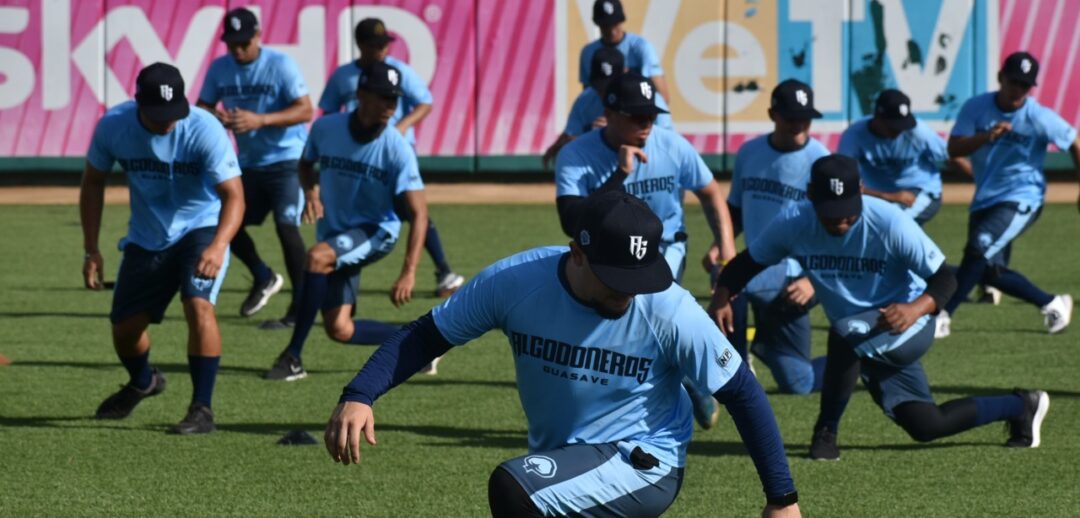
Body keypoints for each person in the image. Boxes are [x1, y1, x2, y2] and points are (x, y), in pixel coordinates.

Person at [324, 191, 801, 517]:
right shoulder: (515, 283)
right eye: (616, 278)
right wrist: (362, 392)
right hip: (570, 459)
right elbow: (428, 335)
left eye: (638, 279)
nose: (628, 293)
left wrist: (782, 500)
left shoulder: (669, 307)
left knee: (514, 487)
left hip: (645, 460)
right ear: (577, 254)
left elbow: (742, 392)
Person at [710, 155, 1051, 461]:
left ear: (860, 190)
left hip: (907, 324)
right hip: (865, 332)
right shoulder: (795, 221)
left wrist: (916, 309)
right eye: (831, 214)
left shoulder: (889, 222)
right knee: (926, 424)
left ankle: (825, 433)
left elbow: (945, 280)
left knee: (845, 335)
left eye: (847, 212)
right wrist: (722, 296)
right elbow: (744, 265)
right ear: (811, 195)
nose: (841, 222)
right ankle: (1022, 405)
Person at [554, 72, 738, 430]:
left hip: (664, 249)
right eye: (636, 116)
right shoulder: (577, 154)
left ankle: (687, 385)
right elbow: (570, 222)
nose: (646, 124)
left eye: (651, 115)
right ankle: (684, 383)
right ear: (610, 113)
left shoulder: (672, 145)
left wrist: (727, 253)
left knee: (642, 312)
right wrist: (618, 175)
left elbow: (711, 193)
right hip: (603, 259)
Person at [81, 63, 244, 434]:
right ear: (138, 104)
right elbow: (92, 183)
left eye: (174, 113)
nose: (168, 122)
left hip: (201, 227)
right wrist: (91, 250)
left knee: (199, 305)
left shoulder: (204, 128)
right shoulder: (114, 126)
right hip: (146, 237)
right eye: (157, 115)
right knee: (124, 329)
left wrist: (218, 246)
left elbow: (234, 196)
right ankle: (144, 381)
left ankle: (202, 409)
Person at [264, 61, 429, 381]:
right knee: (339, 329)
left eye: (394, 99)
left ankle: (292, 357)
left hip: (376, 231)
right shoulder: (327, 129)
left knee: (316, 257)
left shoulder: (397, 148)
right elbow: (305, 164)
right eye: (383, 97)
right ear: (361, 94)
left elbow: (420, 213)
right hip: (337, 231)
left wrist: (409, 272)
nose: (390, 106)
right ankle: (418, 343)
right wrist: (310, 193)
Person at [319, 17, 465, 298]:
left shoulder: (399, 71)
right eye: (375, 45)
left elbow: (425, 103)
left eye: (384, 44)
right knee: (355, 216)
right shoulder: (343, 76)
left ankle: (444, 271)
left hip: (393, 154)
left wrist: (401, 126)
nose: (382, 50)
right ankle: (341, 275)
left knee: (413, 210)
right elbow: (328, 111)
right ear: (360, 45)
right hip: (355, 156)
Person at [937, 51, 1080, 337]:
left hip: (1023, 197)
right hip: (985, 197)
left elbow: (1073, 141)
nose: (1018, 89)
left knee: (978, 248)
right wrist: (986, 136)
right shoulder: (976, 108)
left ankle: (942, 315)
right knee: (986, 268)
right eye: (1013, 81)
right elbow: (953, 150)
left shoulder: (1037, 116)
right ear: (1001, 78)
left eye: (1025, 85)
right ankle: (1052, 303)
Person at [711, 79, 830, 395]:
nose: (798, 123)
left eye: (805, 116)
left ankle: (854, 357)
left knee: (799, 384)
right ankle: (734, 368)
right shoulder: (750, 152)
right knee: (729, 272)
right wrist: (718, 243)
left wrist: (813, 281)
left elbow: (834, 232)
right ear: (771, 114)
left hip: (795, 279)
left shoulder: (821, 161)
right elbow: (735, 207)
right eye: (790, 115)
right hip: (756, 267)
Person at [196, 7, 313, 329]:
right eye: (232, 43)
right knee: (225, 224)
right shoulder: (220, 68)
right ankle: (263, 276)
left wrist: (261, 119)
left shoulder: (280, 64)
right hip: (247, 163)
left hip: (287, 160)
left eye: (244, 42)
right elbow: (202, 107)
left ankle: (300, 307)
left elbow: (305, 110)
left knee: (287, 226)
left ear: (258, 36)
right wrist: (217, 117)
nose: (238, 49)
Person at [838, 88, 966, 225]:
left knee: (892, 222)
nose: (899, 130)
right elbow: (844, 180)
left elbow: (951, 156)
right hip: (879, 194)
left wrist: (982, 180)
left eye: (902, 124)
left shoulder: (917, 131)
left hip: (920, 190)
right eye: (893, 125)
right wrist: (887, 196)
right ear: (877, 116)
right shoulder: (855, 135)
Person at [543, 47, 672, 169]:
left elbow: (667, 146)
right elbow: (571, 137)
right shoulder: (585, 99)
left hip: (651, 170)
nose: (604, 91)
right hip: (606, 170)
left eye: (611, 84)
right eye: (599, 85)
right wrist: (600, 136)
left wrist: (618, 129)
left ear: (625, 73)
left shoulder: (650, 99)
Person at [579, 0, 668, 100]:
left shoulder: (642, 48)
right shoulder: (588, 53)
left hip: (638, 112)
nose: (612, 32)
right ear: (597, 24)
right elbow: (587, 97)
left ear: (622, 20)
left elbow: (663, 97)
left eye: (615, 24)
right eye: (606, 26)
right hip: (603, 113)